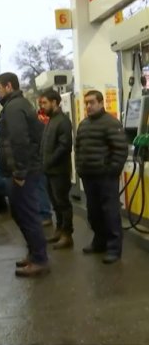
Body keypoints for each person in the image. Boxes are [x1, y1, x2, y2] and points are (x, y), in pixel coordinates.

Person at [0, 72, 49, 277]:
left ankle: (40, 259)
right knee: (21, 214)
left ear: (9, 87)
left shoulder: (15, 107)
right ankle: (35, 254)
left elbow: (19, 141)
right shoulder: (15, 105)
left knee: (27, 215)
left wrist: (19, 171)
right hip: (21, 171)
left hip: (22, 173)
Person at [75, 90, 128, 264]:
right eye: (86, 103)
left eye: (91, 102)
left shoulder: (111, 123)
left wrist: (111, 171)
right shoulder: (83, 125)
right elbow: (78, 149)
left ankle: (114, 248)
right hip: (88, 177)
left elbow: (120, 150)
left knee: (110, 213)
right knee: (94, 213)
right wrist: (79, 169)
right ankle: (99, 242)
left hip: (105, 178)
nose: (88, 106)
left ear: (100, 103)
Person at [39, 89, 74, 250]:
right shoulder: (51, 120)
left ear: (54, 102)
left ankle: (67, 235)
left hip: (59, 171)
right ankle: (59, 230)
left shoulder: (63, 121)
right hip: (49, 170)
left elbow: (64, 146)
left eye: (45, 103)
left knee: (63, 203)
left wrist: (49, 162)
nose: (42, 106)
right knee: (55, 203)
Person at [36, 108, 55, 227]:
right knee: (46, 189)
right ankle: (45, 214)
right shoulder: (50, 121)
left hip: (41, 160)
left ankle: (45, 215)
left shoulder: (41, 123)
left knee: (41, 188)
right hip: (45, 160)